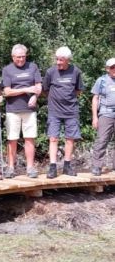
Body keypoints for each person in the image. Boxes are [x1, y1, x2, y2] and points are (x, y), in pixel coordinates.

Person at [42, 46, 84, 178]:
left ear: (68, 60)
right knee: (53, 138)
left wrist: (68, 99)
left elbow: (78, 90)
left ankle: (67, 165)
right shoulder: (50, 72)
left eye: (61, 60)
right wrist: (55, 99)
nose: (58, 62)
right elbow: (45, 89)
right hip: (54, 111)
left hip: (71, 111)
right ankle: (53, 167)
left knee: (70, 138)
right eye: (57, 59)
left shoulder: (76, 72)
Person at [2, 44, 42, 178]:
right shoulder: (7, 70)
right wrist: (25, 90)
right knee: (12, 139)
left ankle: (30, 168)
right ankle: (10, 167)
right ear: (13, 57)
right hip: (12, 109)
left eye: (23, 57)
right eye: (18, 57)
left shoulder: (33, 67)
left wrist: (35, 96)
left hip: (29, 109)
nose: (21, 59)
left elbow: (38, 86)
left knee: (30, 138)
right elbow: (6, 91)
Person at [90, 58, 115, 176]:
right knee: (102, 140)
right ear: (107, 69)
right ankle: (97, 166)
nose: (114, 69)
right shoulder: (102, 80)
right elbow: (95, 98)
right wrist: (95, 117)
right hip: (106, 114)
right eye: (112, 67)